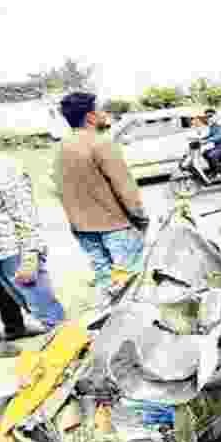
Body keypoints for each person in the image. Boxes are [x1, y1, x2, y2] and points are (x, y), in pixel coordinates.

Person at [54, 92, 149, 301]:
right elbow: (124, 187)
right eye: (100, 109)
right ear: (90, 117)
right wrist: (141, 218)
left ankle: (110, 323)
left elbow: (60, 189)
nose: (104, 113)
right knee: (130, 285)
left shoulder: (61, 146)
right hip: (115, 226)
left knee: (107, 284)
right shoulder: (101, 143)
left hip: (83, 228)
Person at [0, 156, 65, 338]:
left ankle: (72, 347)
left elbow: (25, 217)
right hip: (3, 254)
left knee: (44, 308)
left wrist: (31, 254)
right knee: (30, 305)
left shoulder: (5, 169)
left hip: (15, 252)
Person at [201, 108, 221, 174]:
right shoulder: (212, 125)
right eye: (207, 117)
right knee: (205, 153)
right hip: (219, 146)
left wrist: (208, 140)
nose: (208, 118)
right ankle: (213, 169)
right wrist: (200, 139)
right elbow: (210, 135)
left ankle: (218, 172)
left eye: (210, 116)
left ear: (215, 115)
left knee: (213, 154)